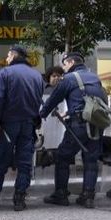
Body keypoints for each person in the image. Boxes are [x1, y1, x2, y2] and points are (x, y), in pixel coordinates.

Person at [0, 45, 43, 211]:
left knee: (1, 160)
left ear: (14, 56)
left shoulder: (6, 73)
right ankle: (20, 198)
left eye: (8, 55)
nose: (6, 59)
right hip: (28, 124)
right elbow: (38, 100)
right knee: (25, 162)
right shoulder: (36, 75)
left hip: (10, 124)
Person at [40, 52, 106, 208]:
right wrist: (69, 112)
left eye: (64, 64)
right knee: (91, 159)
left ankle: (61, 194)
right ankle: (88, 196)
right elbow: (90, 101)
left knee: (63, 156)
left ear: (70, 62)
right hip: (96, 124)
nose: (63, 68)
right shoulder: (94, 77)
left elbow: (53, 99)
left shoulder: (69, 79)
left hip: (79, 125)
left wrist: (41, 115)